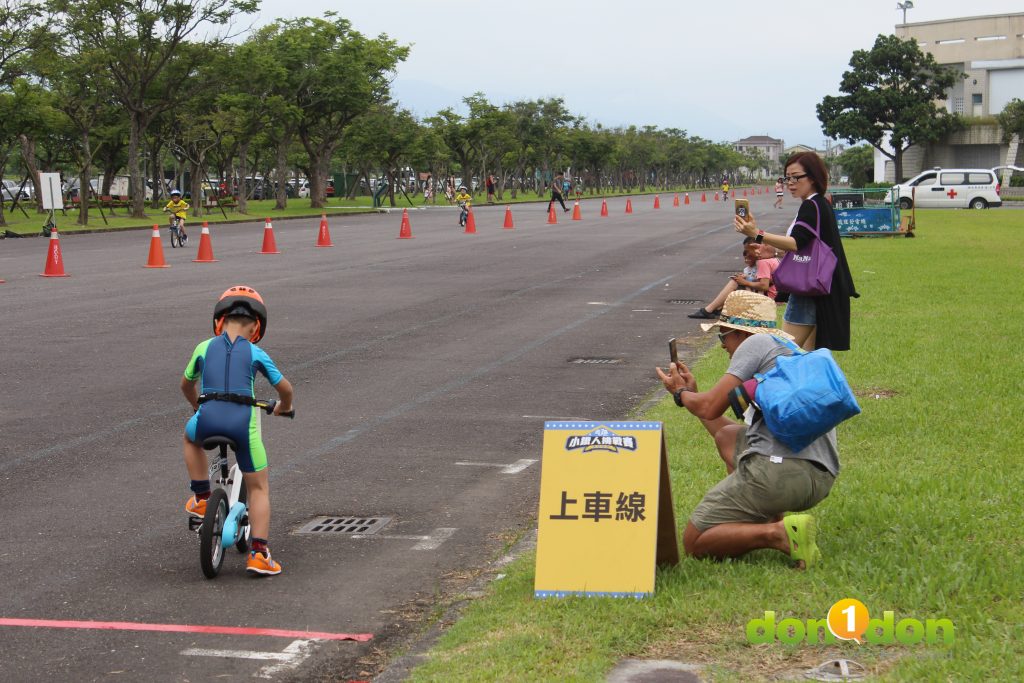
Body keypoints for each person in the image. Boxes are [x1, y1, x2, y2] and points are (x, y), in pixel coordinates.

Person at [656, 290, 839, 568]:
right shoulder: (789, 352)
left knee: (696, 541)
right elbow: (714, 414)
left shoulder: (756, 345)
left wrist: (680, 393)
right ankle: (776, 521)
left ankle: (778, 534)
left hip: (780, 474)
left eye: (723, 335)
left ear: (741, 334)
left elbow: (708, 407)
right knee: (728, 436)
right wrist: (694, 393)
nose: (722, 346)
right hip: (818, 478)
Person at [181, 286, 295, 576]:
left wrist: (199, 408)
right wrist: (284, 405)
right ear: (256, 326)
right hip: (242, 426)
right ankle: (259, 553)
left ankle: (202, 497)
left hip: (207, 419)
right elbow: (285, 388)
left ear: (220, 320)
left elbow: (186, 385)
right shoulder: (257, 352)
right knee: (258, 487)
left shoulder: (203, 348)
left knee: (190, 437)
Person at [734, 152, 858, 351]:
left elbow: (795, 244)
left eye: (795, 177)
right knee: (808, 358)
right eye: (787, 178)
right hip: (821, 288)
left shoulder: (811, 206)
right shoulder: (820, 203)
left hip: (808, 289)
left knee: (781, 354)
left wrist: (756, 234)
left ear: (813, 176)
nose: (790, 183)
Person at [688, 242, 779, 319]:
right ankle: (717, 308)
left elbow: (764, 286)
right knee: (737, 281)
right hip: (774, 294)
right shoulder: (774, 260)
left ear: (766, 249)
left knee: (734, 282)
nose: (757, 250)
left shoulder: (763, 262)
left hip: (767, 298)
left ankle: (708, 310)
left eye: (759, 247)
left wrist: (745, 282)